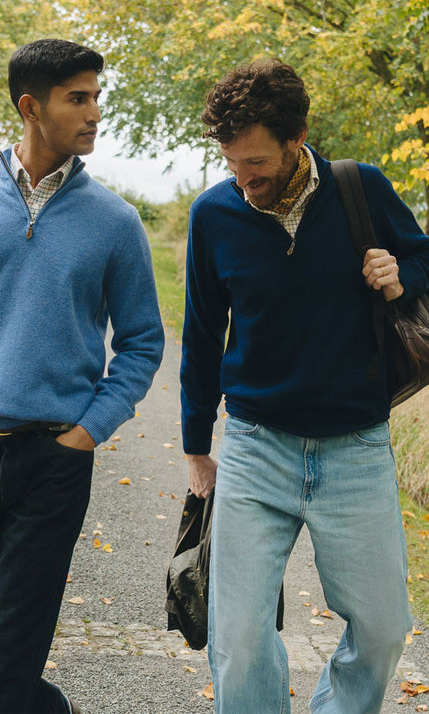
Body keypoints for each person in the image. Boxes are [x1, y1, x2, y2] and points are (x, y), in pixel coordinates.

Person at [0, 38, 164, 714]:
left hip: (53, 460)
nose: (94, 112)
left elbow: (141, 343)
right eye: (78, 98)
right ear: (30, 106)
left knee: (10, 651)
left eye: (97, 97)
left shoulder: (116, 222)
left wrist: (87, 431)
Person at [180, 58, 429, 713]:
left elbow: (423, 256)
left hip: (354, 447)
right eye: (232, 163)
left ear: (296, 139)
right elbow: (202, 335)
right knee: (234, 637)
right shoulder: (214, 215)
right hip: (256, 445)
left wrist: (398, 270)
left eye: (256, 163)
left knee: (380, 627)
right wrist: (194, 446)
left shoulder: (359, 190)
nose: (242, 179)